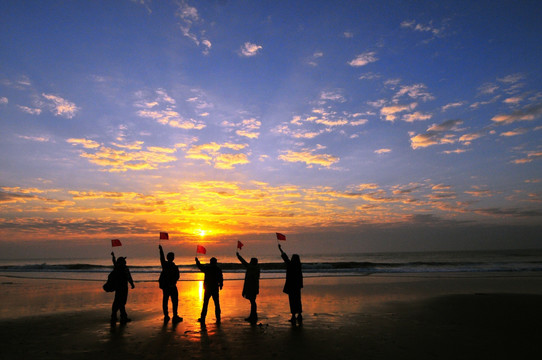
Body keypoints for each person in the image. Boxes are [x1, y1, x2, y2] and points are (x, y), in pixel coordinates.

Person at [278, 244, 303, 324]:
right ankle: (299, 315)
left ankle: (293, 316)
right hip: (297, 286)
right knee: (298, 300)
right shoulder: (298, 266)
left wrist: (280, 249)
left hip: (291, 286)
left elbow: (285, 258)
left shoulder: (290, 265)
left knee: (292, 301)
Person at [195, 256, 223, 324]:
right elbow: (221, 278)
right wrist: (221, 285)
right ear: (216, 262)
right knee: (216, 303)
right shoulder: (218, 269)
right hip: (215, 287)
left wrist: (197, 261)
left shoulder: (208, 268)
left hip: (208, 288)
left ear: (210, 262)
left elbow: (201, 267)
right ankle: (218, 317)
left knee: (205, 303)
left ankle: (203, 318)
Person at [158, 245, 182, 323]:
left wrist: (161, 250)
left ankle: (167, 316)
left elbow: (177, 276)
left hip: (167, 286)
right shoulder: (173, 266)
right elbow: (177, 276)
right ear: (172, 258)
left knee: (167, 300)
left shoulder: (167, 265)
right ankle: (173, 316)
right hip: (170, 286)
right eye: (172, 256)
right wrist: (161, 250)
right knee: (173, 301)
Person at [110, 252, 135, 324]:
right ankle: (123, 317)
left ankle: (114, 316)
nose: (125, 261)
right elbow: (128, 277)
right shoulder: (125, 268)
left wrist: (113, 256)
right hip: (123, 287)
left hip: (118, 287)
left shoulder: (117, 267)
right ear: (122, 262)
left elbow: (114, 262)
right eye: (124, 260)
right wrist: (132, 284)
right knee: (122, 302)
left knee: (117, 301)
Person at [236, 252, 260, 323]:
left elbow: (244, 262)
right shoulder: (256, 268)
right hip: (254, 287)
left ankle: (253, 316)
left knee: (252, 301)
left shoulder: (251, 268)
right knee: (253, 301)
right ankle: (253, 315)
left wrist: (238, 256)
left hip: (251, 287)